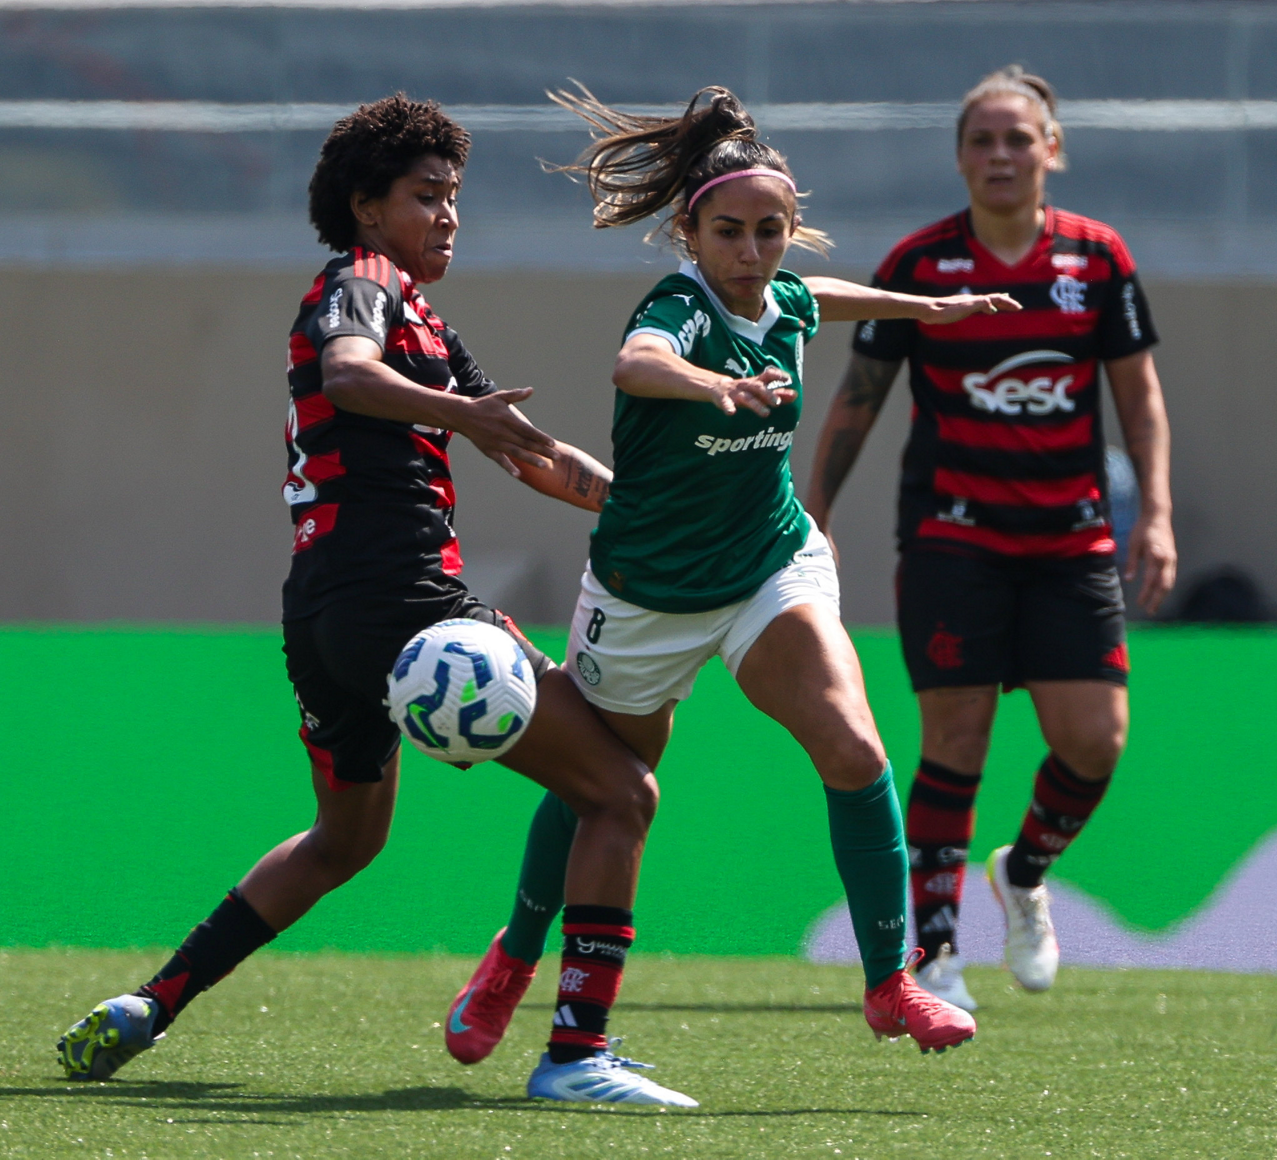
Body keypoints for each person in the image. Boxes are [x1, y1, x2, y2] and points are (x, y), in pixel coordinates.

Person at [56, 94, 697, 1109]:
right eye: (425, 195)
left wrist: (648, 509)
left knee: (344, 840)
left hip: (325, 617)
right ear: (366, 206)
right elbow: (350, 376)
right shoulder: (359, 283)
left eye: (453, 196)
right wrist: (457, 413)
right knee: (622, 792)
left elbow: (526, 450)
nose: (447, 215)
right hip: (403, 599)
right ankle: (576, 1054)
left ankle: (151, 1001)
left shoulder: (425, 320)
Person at [441, 85, 1020, 1070]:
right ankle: (514, 956)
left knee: (854, 747)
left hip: (766, 564)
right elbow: (635, 363)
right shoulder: (675, 308)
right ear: (688, 231)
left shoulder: (782, 295)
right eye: (729, 232)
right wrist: (717, 383)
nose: (751, 252)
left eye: (769, 231)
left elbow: (816, 297)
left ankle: (891, 980)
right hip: (646, 594)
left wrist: (927, 307)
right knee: (601, 788)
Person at [806, 66, 1177, 1010]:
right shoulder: (919, 265)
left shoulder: (1098, 259)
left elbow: (1138, 397)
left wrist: (1158, 513)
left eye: (1019, 139)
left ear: (1052, 150)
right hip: (952, 537)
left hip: (1071, 541)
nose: (1000, 155)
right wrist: (817, 511)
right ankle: (935, 953)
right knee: (956, 739)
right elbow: (859, 396)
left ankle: (1024, 871)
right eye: (982, 140)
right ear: (961, 157)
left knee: (1095, 742)